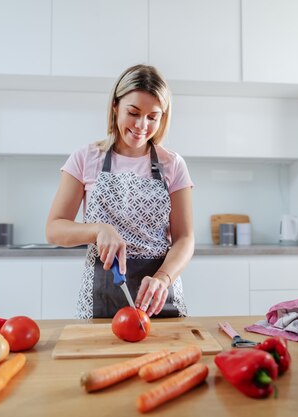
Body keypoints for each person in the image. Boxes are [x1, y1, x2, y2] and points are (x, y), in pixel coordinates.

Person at [46, 64, 194, 319]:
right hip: (100, 296)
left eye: (152, 117)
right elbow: (54, 229)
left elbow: (185, 238)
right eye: (133, 112)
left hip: (160, 295)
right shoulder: (86, 158)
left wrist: (162, 278)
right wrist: (97, 229)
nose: (141, 125)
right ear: (115, 106)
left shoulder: (173, 164)